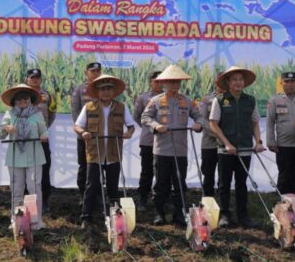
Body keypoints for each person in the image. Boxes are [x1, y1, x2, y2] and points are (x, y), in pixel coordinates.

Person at [140, 65, 205, 227]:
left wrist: (198, 124)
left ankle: (179, 215)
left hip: (180, 150)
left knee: (180, 184)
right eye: (171, 82)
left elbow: (200, 117)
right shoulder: (155, 101)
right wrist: (156, 126)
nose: (174, 86)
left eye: (177, 82)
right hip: (161, 150)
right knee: (160, 184)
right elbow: (145, 118)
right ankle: (159, 213)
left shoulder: (188, 101)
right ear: (164, 83)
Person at [74, 75, 135, 228]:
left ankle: (115, 216)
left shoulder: (122, 107)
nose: (106, 92)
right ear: (97, 92)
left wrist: (129, 133)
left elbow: (131, 126)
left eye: (109, 89)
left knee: (113, 186)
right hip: (95, 154)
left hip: (114, 153)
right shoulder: (88, 107)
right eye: (103, 89)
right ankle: (86, 217)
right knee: (91, 185)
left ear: (114, 92)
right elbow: (77, 126)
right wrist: (83, 133)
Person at [208, 66, 265, 228]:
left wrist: (258, 142)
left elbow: (255, 123)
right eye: (234, 80)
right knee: (224, 183)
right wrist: (226, 143)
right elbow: (213, 124)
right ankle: (224, 214)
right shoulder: (219, 100)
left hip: (245, 149)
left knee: (242, 183)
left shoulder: (250, 100)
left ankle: (243, 215)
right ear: (228, 82)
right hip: (225, 150)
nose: (238, 82)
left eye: (241, 79)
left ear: (244, 82)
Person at [0, 84, 49, 229]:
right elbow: (0, 135)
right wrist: (5, 128)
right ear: (14, 101)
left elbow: (44, 131)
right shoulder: (9, 115)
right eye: (19, 99)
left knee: (34, 188)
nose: (22, 101)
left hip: (34, 156)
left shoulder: (37, 114)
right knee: (17, 189)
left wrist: (44, 136)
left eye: (25, 98)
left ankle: (36, 220)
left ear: (30, 99)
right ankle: (16, 219)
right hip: (15, 157)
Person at [267, 72, 295, 197]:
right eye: (287, 82)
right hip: (283, 145)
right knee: (284, 175)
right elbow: (270, 122)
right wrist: (271, 142)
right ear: (281, 83)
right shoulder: (275, 100)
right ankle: (283, 204)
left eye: (292, 81)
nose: (290, 84)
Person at [25, 68, 57, 212]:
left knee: (44, 169)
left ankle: (44, 202)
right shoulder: (20, 94)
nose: (35, 80)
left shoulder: (48, 95)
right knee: (25, 170)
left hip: (42, 139)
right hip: (24, 139)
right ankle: (26, 201)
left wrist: (43, 130)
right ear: (27, 79)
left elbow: (52, 114)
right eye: (32, 77)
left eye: (37, 77)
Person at [70, 62, 102, 200]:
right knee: (84, 166)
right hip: (84, 135)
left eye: (98, 71)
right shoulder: (79, 89)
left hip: (101, 135)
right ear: (86, 72)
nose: (95, 73)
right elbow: (75, 111)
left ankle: (99, 195)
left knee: (100, 166)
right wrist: (82, 131)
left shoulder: (104, 88)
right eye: (92, 71)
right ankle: (83, 194)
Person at [133, 71, 162, 211]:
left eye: (161, 80)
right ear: (150, 82)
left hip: (165, 141)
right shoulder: (143, 97)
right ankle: (143, 199)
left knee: (163, 171)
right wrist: (148, 128)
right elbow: (137, 116)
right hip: (148, 140)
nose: (158, 83)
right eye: (155, 81)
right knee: (147, 171)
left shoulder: (169, 97)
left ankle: (163, 198)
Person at [199, 85, 222, 198]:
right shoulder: (206, 99)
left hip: (226, 145)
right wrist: (219, 135)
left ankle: (222, 199)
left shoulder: (231, 99)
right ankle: (208, 199)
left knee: (224, 175)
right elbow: (203, 120)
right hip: (209, 143)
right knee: (208, 174)